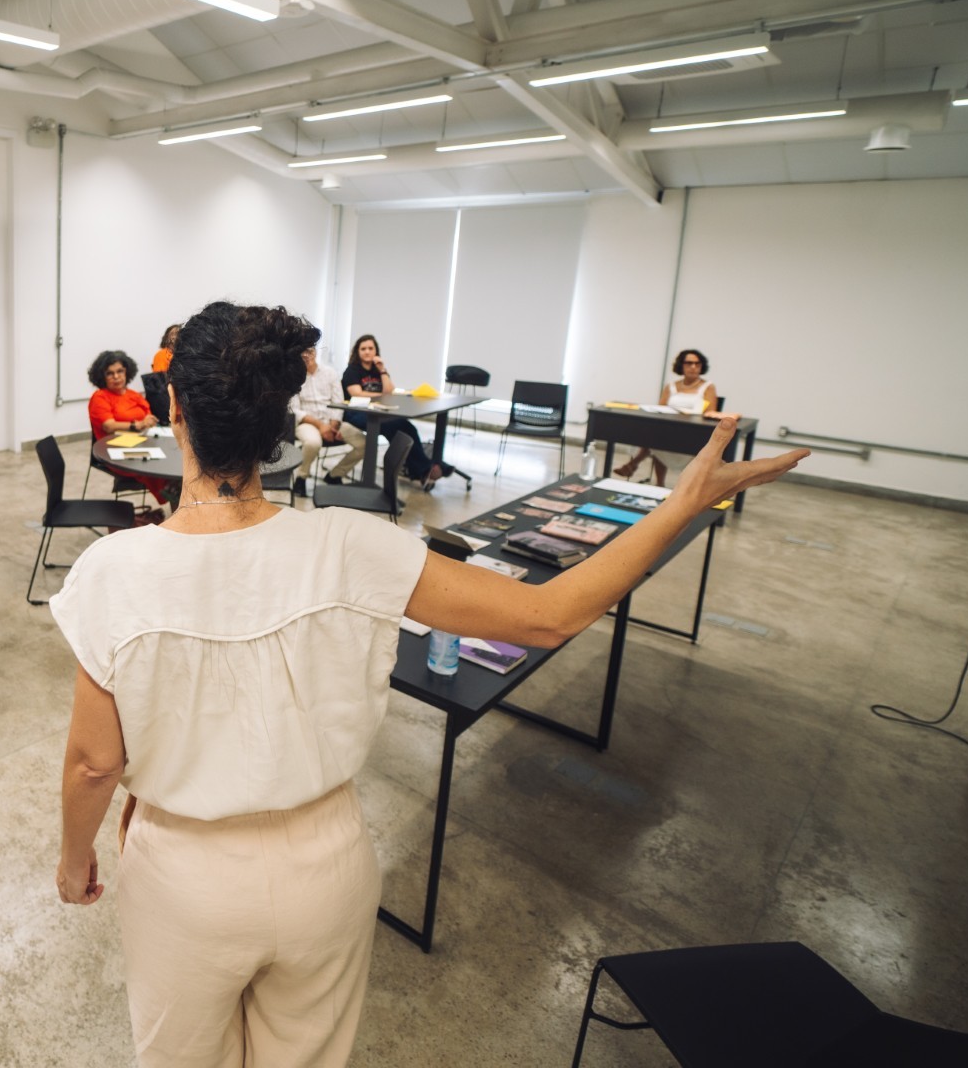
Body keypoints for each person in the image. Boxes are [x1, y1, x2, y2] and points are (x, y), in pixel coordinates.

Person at [48, 301, 806, 1067]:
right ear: (281, 419)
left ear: (172, 409)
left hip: (186, 879)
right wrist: (684, 498)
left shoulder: (115, 571)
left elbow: (93, 765)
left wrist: (75, 858)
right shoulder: (355, 545)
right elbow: (550, 614)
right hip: (328, 866)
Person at [341, 334, 442, 486]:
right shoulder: (352, 370)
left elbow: (390, 390)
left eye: (370, 348)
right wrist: (382, 395)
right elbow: (357, 393)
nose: (367, 352)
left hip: (378, 411)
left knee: (406, 426)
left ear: (376, 350)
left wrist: (382, 370)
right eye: (363, 349)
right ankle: (422, 468)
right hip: (356, 413)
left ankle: (420, 469)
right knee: (393, 426)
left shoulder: (378, 370)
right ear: (357, 352)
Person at [615, 348, 721, 486]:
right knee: (656, 436)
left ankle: (633, 465)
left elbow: (710, 412)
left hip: (693, 433)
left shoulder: (708, 387)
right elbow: (661, 409)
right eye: (689, 363)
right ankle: (657, 482)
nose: (693, 367)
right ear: (681, 365)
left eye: (697, 364)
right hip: (671, 429)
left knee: (657, 440)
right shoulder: (671, 386)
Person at [87, 350, 173, 508]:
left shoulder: (133, 395)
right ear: (102, 376)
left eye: (120, 371)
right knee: (164, 470)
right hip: (115, 451)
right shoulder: (100, 397)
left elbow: (148, 416)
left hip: (141, 443)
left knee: (172, 460)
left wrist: (148, 421)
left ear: (127, 372)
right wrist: (137, 425)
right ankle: (174, 499)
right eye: (110, 373)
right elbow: (109, 426)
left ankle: (175, 500)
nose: (116, 377)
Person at [290, 345, 365, 498]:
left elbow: (338, 403)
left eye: (309, 351)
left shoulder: (330, 373)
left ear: (315, 352)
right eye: (302, 352)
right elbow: (295, 410)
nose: (306, 355)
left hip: (332, 422)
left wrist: (333, 425)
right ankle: (301, 478)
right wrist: (321, 426)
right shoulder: (293, 376)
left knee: (365, 444)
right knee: (313, 443)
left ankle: (335, 474)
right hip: (307, 423)